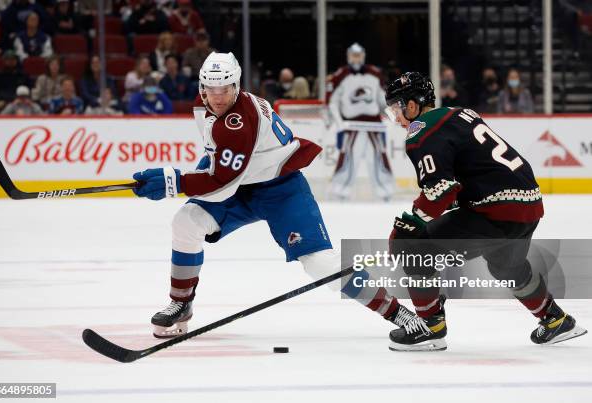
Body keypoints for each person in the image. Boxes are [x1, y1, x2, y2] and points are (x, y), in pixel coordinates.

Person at [131, 52, 422, 339]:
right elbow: (216, 159)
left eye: (225, 89)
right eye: (210, 89)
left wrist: (174, 181)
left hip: (281, 189)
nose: (217, 97)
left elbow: (222, 181)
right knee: (186, 223)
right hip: (240, 185)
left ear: (237, 86)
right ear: (201, 88)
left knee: (320, 264)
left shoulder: (240, 122)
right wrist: (183, 180)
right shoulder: (202, 106)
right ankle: (181, 302)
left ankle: (398, 313)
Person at [384, 72, 587, 351]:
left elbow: (440, 189)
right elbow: (473, 170)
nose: (397, 118)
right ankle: (555, 320)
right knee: (506, 264)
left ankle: (430, 327)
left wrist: (412, 222)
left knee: (410, 246)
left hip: (494, 211)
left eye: (397, 108)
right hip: (529, 205)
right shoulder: (462, 113)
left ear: (412, 105)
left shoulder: (420, 131)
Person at [326, 43, 394, 201]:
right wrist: (338, 122)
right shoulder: (340, 75)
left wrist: (392, 116)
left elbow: (383, 100)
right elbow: (333, 102)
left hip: (374, 125)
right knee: (348, 157)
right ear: (348, 56)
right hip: (351, 125)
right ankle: (340, 191)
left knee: (378, 157)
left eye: (359, 55)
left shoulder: (375, 74)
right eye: (353, 55)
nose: (356, 59)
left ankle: (385, 191)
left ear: (363, 56)